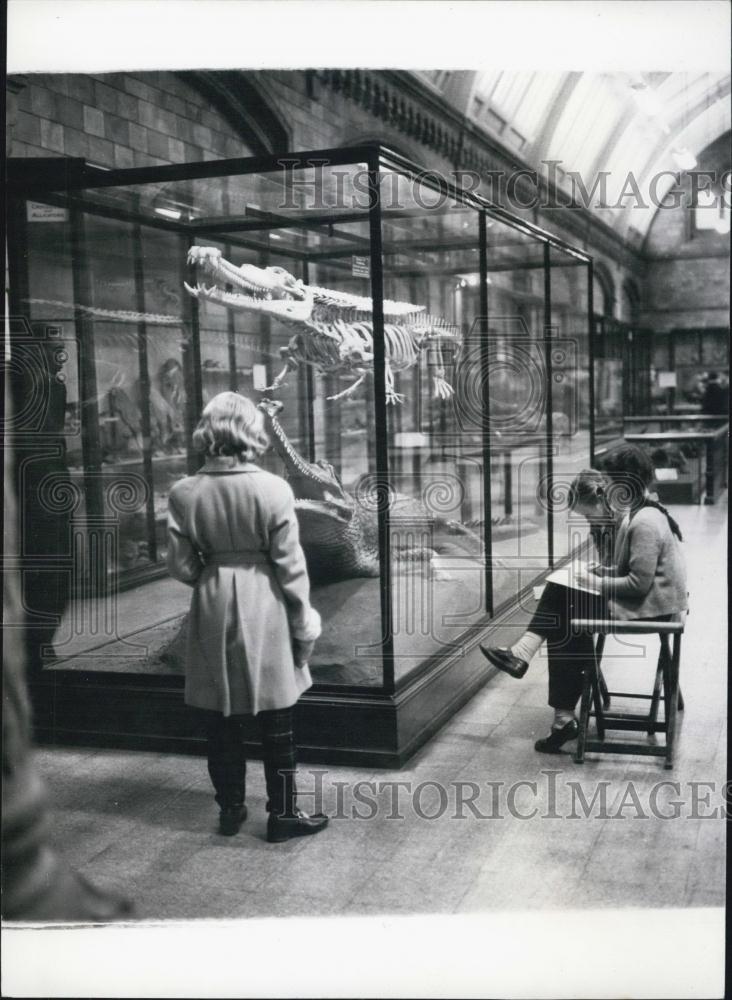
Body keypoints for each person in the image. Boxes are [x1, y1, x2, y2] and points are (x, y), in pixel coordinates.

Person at [166, 391, 328, 842]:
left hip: (213, 601)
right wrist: (302, 622)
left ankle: (230, 809)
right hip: (266, 602)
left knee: (219, 717)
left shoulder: (183, 492)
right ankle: (283, 815)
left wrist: (213, 574)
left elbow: (179, 565)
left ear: (208, 430)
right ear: (251, 432)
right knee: (277, 717)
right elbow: (291, 566)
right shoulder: (275, 489)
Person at [480, 446, 688, 753]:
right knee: (564, 603)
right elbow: (627, 567)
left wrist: (595, 580)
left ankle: (552, 700)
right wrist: (600, 569)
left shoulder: (642, 522)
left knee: (563, 611)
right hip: (652, 602)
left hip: (651, 608)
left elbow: (637, 584)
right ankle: (555, 707)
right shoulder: (639, 512)